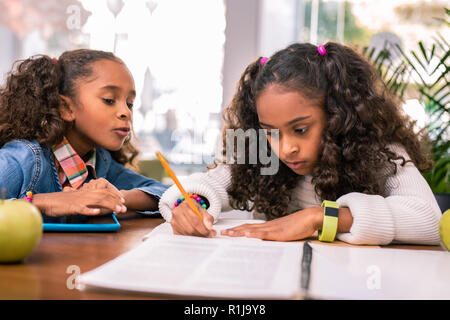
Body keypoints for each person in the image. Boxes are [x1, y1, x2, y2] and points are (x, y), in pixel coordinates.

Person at [158, 42, 442, 245]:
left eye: (301, 129)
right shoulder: (264, 156)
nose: (285, 149)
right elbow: (212, 184)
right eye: (271, 132)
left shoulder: (379, 152)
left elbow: (428, 219)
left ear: (336, 115)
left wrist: (320, 217)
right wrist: (192, 203)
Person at [0, 49, 167, 222]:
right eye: (109, 100)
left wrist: (116, 197)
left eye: (130, 103)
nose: (126, 112)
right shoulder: (22, 159)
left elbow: (164, 193)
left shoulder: (102, 163)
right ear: (66, 107)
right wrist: (44, 202)